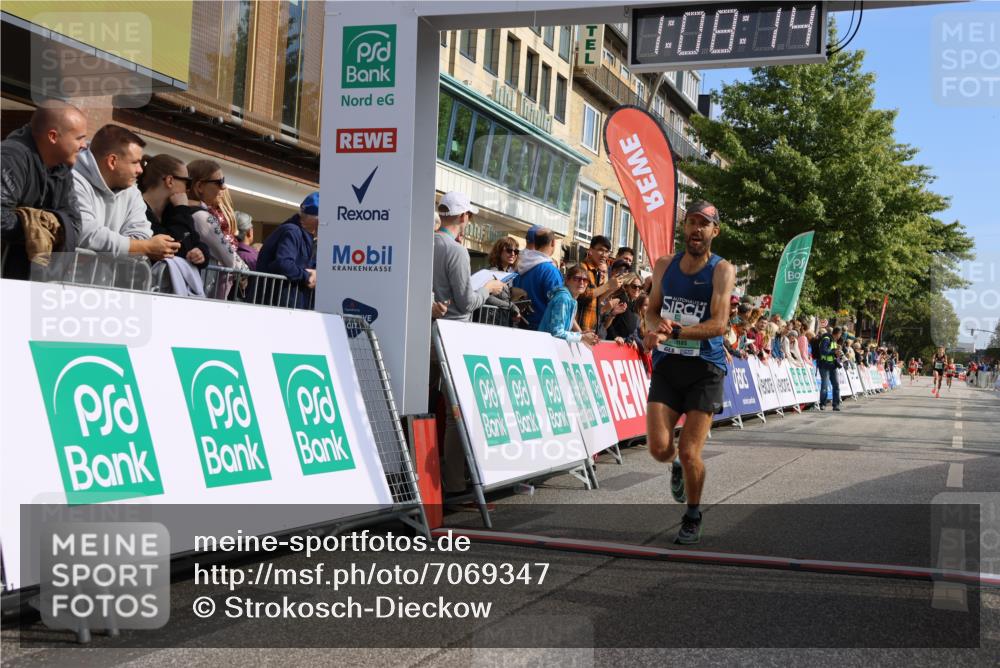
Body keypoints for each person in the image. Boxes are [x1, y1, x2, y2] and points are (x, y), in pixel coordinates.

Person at [643, 200, 735, 545]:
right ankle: (677, 465)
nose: (696, 229)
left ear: (715, 231)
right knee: (659, 449)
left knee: (689, 451)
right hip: (668, 366)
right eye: (691, 222)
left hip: (705, 369)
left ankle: (693, 515)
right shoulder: (664, 265)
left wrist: (678, 331)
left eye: (704, 224)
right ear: (684, 227)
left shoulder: (722, 269)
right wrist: (654, 328)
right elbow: (652, 310)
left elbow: (719, 324)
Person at [1, 100, 88, 279]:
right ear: (53, 136)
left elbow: (74, 226)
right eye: (79, 138)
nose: (84, 145)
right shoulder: (10, 158)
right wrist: (35, 227)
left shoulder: (62, 169)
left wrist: (39, 223)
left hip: (27, 280)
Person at [74, 124, 180, 262]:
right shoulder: (73, 180)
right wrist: (144, 247)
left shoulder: (132, 191)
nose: (140, 170)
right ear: (112, 161)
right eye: (135, 162)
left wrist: (133, 247)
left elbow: (142, 234)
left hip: (106, 276)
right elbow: (85, 233)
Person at [432, 192, 504, 321]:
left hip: (427, 324)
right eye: (469, 215)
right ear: (463, 216)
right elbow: (467, 304)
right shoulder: (457, 250)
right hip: (451, 327)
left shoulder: (424, 243)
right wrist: (488, 288)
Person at [138, 154, 207, 269]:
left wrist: (201, 252)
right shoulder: (138, 209)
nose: (188, 189)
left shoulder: (173, 210)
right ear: (170, 181)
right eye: (187, 182)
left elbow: (195, 241)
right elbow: (175, 248)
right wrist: (181, 209)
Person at [256, 192, 319, 309]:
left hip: (286, 304)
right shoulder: (292, 232)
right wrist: (307, 276)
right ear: (316, 219)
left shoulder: (301, 233)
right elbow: (283, 263)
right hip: (277, 305)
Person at [514, 227, 563, 331]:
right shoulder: (550, 271)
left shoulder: (519, 267)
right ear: (553, 242)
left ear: (535, 243)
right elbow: (558, 305)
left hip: (520, 327)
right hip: (542, 330)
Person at [539, 265, 600, 347]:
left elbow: (568, 323)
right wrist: (582, 337)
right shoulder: (563, 299)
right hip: (546, 346)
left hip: (551, 346)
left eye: (585, 280)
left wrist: (581, 334)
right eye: (577, 278)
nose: (582, 282)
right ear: (567, 280)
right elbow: (556, 332)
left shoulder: (571, 299)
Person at [577, 235, 622, 333]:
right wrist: (608, 285)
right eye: (600, 250)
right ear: (590, 250)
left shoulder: (596, 272)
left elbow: (595, 300)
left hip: (590, 329)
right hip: (579, 329)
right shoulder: (582, 268)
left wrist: (611, 289)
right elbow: (584, 295)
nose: (604, 255)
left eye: (607, 251)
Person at [483, 236, 523, 326]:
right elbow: (485, 296)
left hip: (501, 322)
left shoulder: (506, 273)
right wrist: (510, 306)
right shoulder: (493, 272)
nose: (513, 254)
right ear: (499, 252)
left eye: (516, 251)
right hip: (491, 323)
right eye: (509, 250)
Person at [817, 326, 843, 411]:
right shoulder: (827, 339)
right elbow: (823, 351)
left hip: (832, 365)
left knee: (836, 385)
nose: (840, 336)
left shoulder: (833, 341)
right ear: (838, 334)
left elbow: (832, 353)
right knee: (824, 385)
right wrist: (834, 352)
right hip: (824, 365)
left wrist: (837, 354)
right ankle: (823, 404)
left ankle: (836, 405)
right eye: (840, 334)